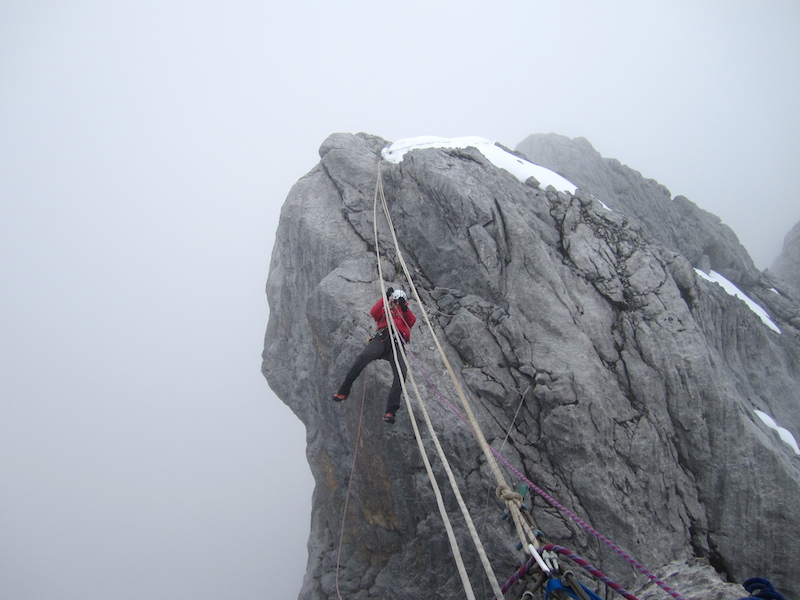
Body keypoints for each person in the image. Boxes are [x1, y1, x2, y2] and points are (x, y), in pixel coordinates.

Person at [333, 287, 417, 424]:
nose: (396, 304)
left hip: (397, 343)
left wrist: (404, 308)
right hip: (382, 338)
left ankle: (391, 411)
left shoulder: (405, 313)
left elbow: (411, 321)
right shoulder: (386, 311)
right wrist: (385, 297)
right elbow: (374, 312)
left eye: (398, 302)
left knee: (401, 373)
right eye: (394, 301)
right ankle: (344, 390)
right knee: (363, 357)